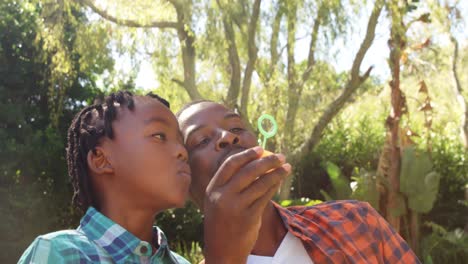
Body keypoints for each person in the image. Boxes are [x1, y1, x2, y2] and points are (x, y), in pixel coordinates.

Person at [19, 91, 290, 264]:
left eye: (182, 143)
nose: (181, 152)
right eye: (160, 136)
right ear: (102, 159)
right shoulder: (59, 253)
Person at [177, 100, 421, 264]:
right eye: (201, 141)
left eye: (237, 128)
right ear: (185, 185)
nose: (228, 137)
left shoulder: (357, 220)